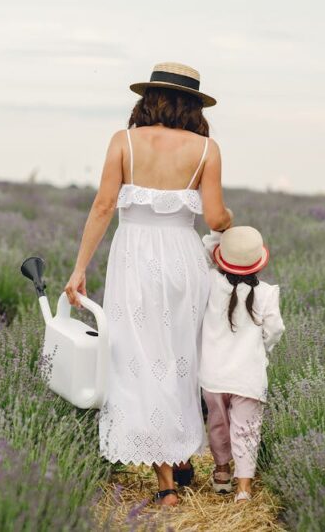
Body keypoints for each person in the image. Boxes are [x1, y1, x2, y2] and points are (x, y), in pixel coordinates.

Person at [64, 62, 234, 507]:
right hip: (183, 260)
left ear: (148, 99)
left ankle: (166, 483)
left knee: (140, 358)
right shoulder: (207, 149)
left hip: (134, 259)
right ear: (194, 106)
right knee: (182, 356)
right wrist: (230, 222)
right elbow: (215, 219)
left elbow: (103, 206)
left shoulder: (123, 142)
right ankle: (180, 456)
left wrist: (79, 268)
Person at [199, 226, 285, 503]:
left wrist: (217, 232)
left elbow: (201, 255)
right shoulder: (268, 293)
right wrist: (263, 348)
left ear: (221, 259)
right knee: (246, 431)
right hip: (248, 376)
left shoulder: (209, 281)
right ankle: (244, 489)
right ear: (259, 261)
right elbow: (275, 330)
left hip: (212, 375)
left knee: (217, 425)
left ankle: (222, 473)